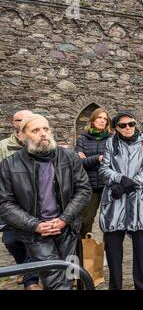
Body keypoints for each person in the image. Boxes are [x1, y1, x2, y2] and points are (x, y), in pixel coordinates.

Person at [0, 114, 92, 290]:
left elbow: (83, 189)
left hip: (66, 229)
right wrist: (35, 225)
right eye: (35, 130)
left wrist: (64, 219)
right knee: (56, 281)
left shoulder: (69, 157)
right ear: (22, 136)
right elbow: (4, 203)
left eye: (45, 129)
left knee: (67, 277)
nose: (43, 133)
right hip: (37, 234)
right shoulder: (9, 165)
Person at [99, 111, 143, 290]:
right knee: (114, 249)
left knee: (141, 248)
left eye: (131, 123)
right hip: (115, 202)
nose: (128, 128)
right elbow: (104, 170)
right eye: (122, 125)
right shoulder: (110, 143)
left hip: (139, 201)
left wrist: (130, 184)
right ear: (116, 128)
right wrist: (119, 179)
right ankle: (115, 285)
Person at [0, 110, 41, 290]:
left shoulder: (40, 145)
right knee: (11, 240)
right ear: (14, 125)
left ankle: (30, 279)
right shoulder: (3, 146)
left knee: (36, 238)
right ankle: (24, 266)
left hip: (35, 203)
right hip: (10, 202)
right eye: (20, 120)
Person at [75, 108, 112, 238]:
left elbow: (111, 160)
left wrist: (88, 160)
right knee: (85, 221)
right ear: (92, 120)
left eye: (105, 119)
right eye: (99, 118)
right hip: (89, 185)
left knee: (110, 220)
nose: (102, 121)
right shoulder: (83, 139)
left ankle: (109, 252)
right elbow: (78, 162)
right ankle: (85, 253)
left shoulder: (112, 139)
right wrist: (98, 158)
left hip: (107, 184)